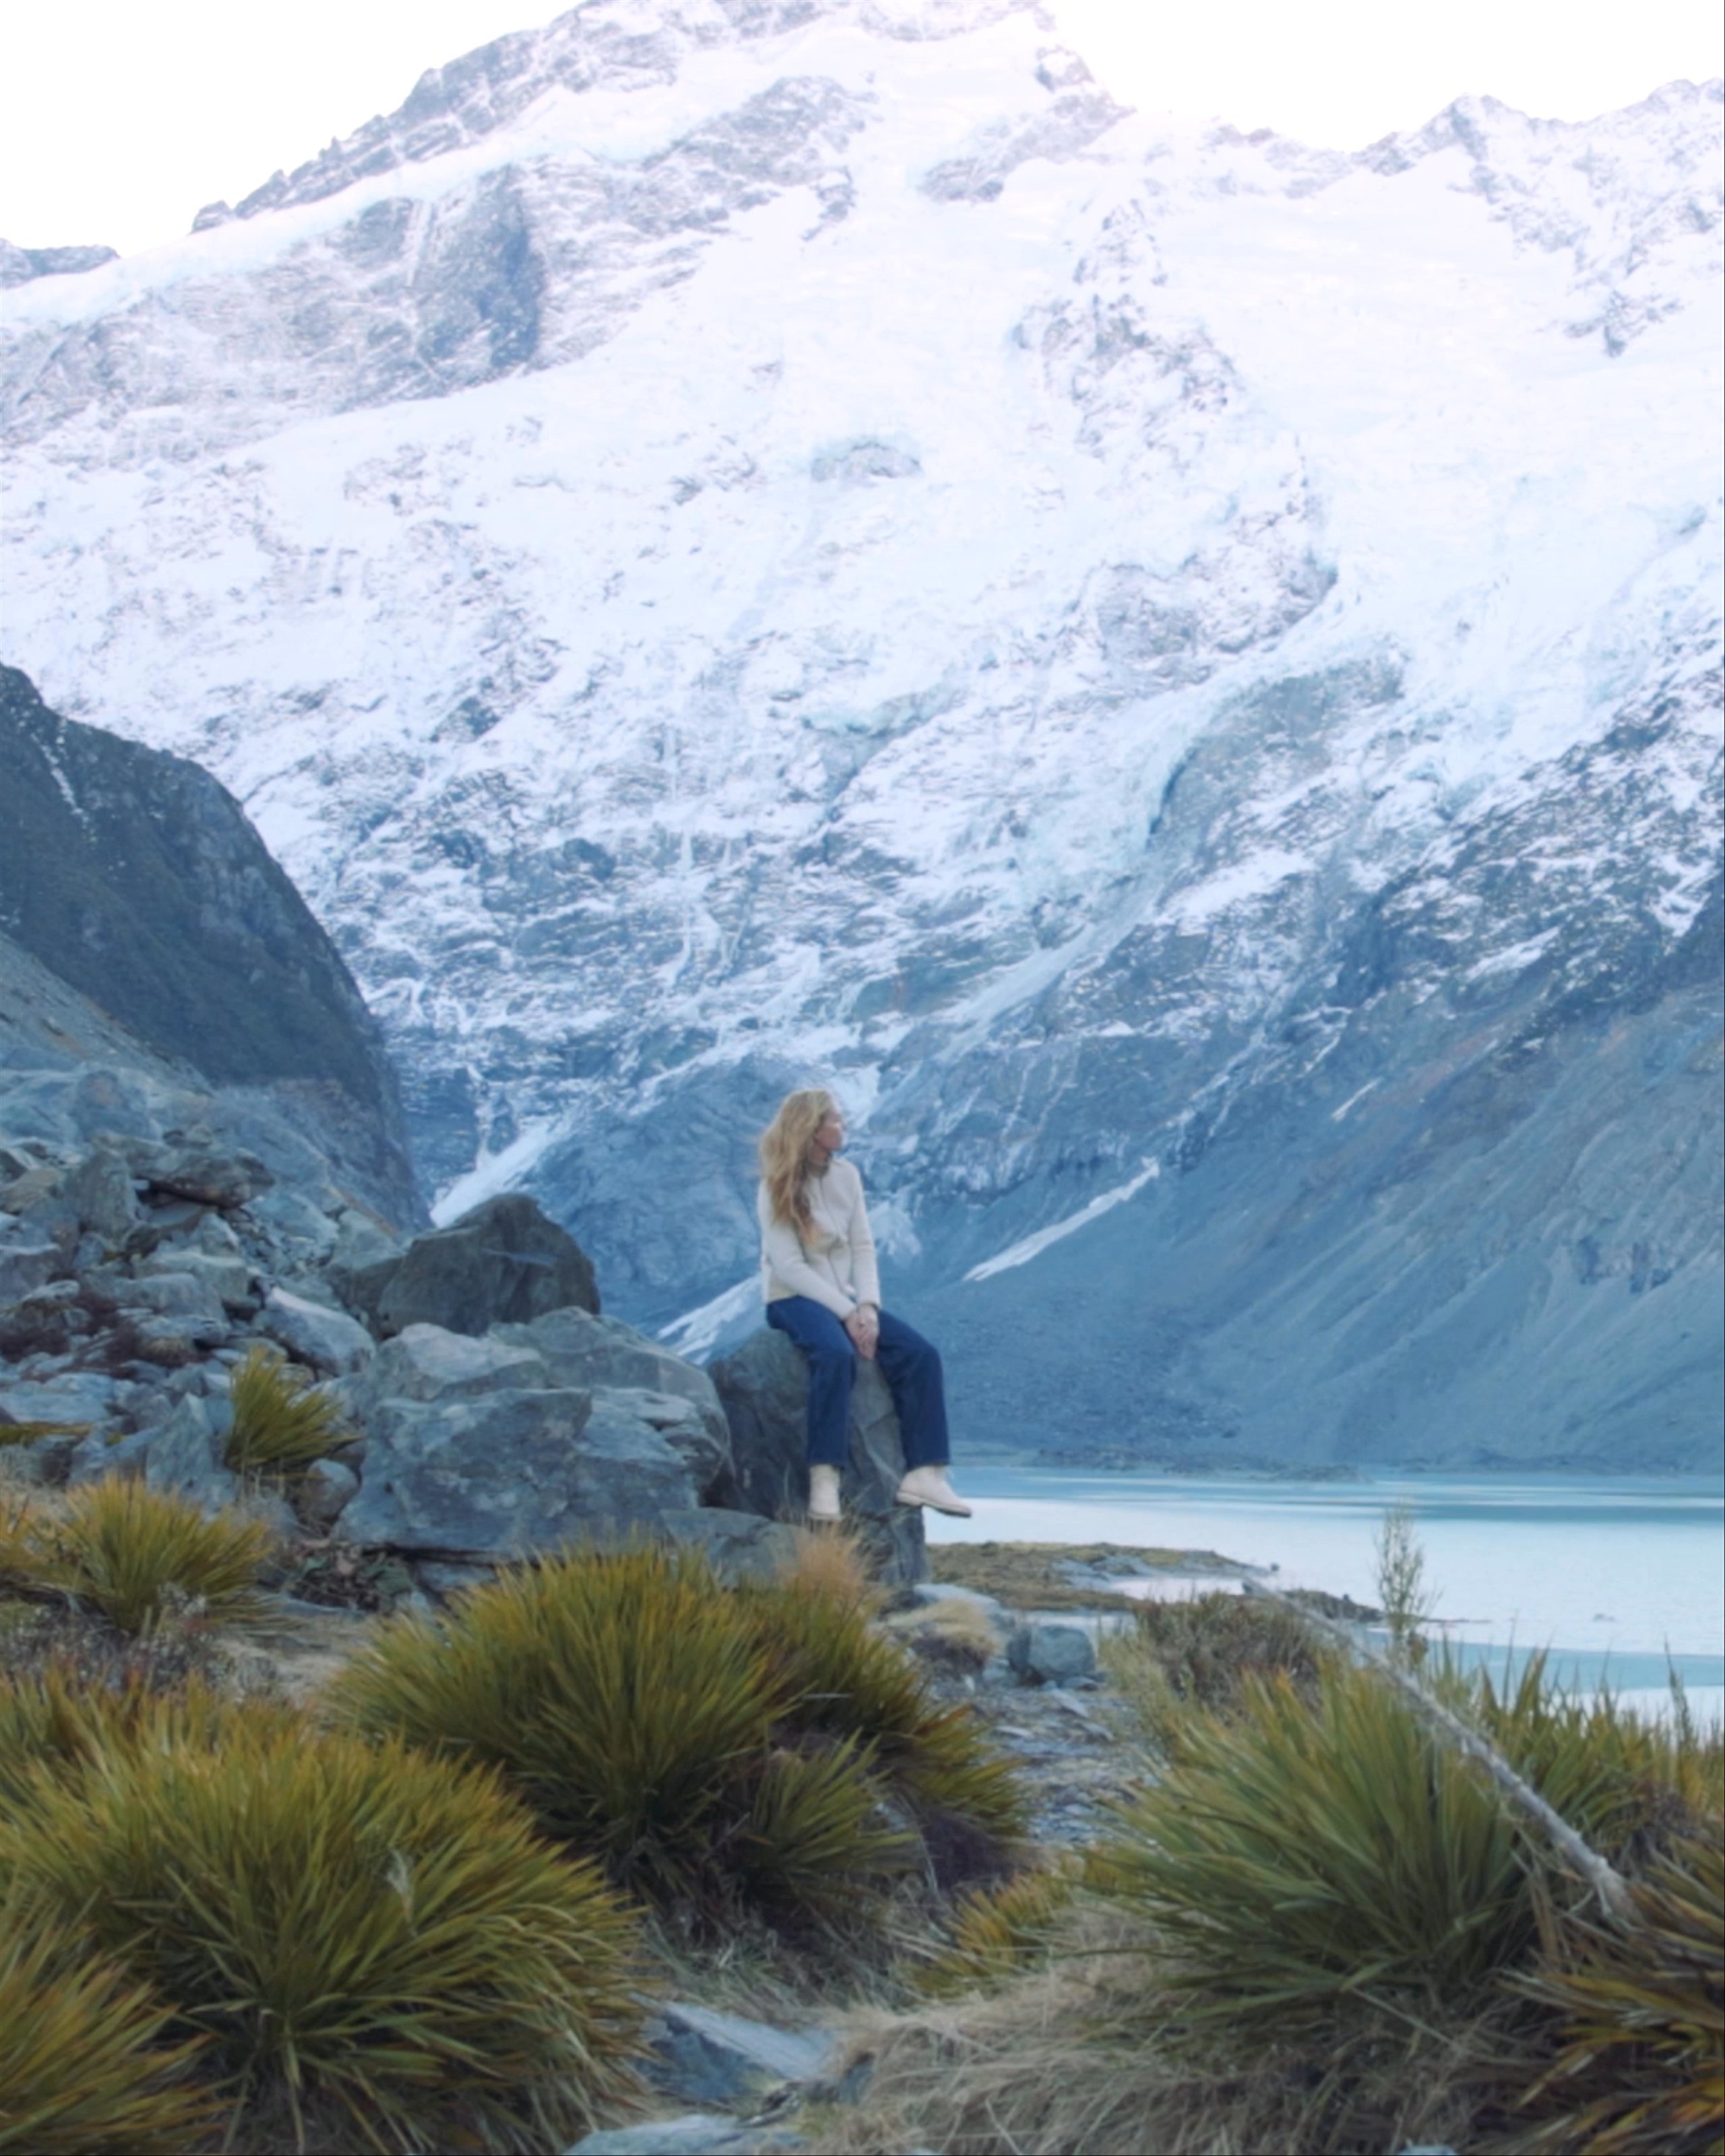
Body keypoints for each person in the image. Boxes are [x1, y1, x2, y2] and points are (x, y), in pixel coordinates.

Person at [757, 1086, 971, 1524]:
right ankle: (825, 1478)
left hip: (849, 1303)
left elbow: (863, 1248)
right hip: (792, 1299)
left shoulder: (847, 1176)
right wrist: (847, 1313)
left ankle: (926, 1474)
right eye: (835, 1119)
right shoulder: (775, 1186)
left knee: (920, 1355)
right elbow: (790, 1267)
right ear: (812, 1128)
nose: (843, 1126)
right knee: (835, 1355)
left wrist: (869, 1307)